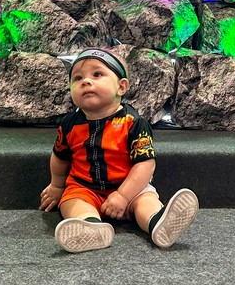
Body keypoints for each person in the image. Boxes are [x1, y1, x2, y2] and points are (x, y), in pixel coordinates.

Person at [39, 47, 199, 253]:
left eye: (97, 74)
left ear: (121, 86)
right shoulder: (69, 124)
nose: (86, 81)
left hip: (129, 188)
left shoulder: (133, 123)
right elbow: (60, 157)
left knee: (145, 200)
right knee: (71, 202)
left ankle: (158, 222)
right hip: (85, 188)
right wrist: (56, 186)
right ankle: (90, 225)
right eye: (77, 78)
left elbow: (145, 164)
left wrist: (123, 196)